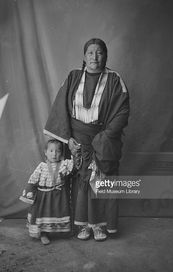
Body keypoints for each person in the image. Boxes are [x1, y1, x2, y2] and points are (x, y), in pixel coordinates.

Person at [44, 38, 129, 241]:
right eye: (90, 53)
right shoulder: (73, 77)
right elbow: (60, 109)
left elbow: (122, 112)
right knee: (82, 184)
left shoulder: (115, 80)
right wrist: (68, 140)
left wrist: (103, 139)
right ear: (84, 56)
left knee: (100, 183)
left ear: (105, 55)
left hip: (102, 139)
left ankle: (99, 226)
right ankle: (83, 226)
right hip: (77, 141)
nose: (95, 57)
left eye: (99, 52)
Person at [19, 138, 73, 245]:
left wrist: (75, 152)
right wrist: (29, 192)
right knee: (43, 215)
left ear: (61, 153)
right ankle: (43, 234)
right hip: (43, 197)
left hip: (58, 196)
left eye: (58, 151)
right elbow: (33, 180)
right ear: (45, 152)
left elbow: (73, 165)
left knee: (56, 213)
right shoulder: (42, 166)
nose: (54, 154)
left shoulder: (64, 164)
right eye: (51, 151)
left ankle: (57, 232)